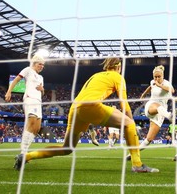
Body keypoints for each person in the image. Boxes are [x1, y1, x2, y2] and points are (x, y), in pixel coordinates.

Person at [14, 58, 159, 173]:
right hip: (90, 106)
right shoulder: (117, 77)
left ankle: (26, 156)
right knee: (129, 123)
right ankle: (138, 165)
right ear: (119, 67)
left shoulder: (96, 75)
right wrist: (131, 122)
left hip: (75, 108)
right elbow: (124, 103)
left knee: (67, 148)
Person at [126, 65, 175, 160]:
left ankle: (132, 154)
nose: (156, 78)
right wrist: (142, 95)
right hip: (151, 106)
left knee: (149, 139)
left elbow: (172, 90)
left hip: (161, 113)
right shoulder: (153, 82)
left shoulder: (167, 84)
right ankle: (169, 116)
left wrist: (160, 85)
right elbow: (150, 87)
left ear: (163, 76)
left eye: (158, 77)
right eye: (155, 77)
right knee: (157, 106)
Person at [5, 54, 45, 168]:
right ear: (34, 63)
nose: (41, 66)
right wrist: (9, 91)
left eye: (43, 65)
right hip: (29, 99)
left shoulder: (41, 78)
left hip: (38, 101)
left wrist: (42, 90)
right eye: (39, 64)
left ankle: (24, 154)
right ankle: (22, 154)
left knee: (36, 128)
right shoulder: (28, 70)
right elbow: (16, 80)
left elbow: (43, 92)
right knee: (31, 122)